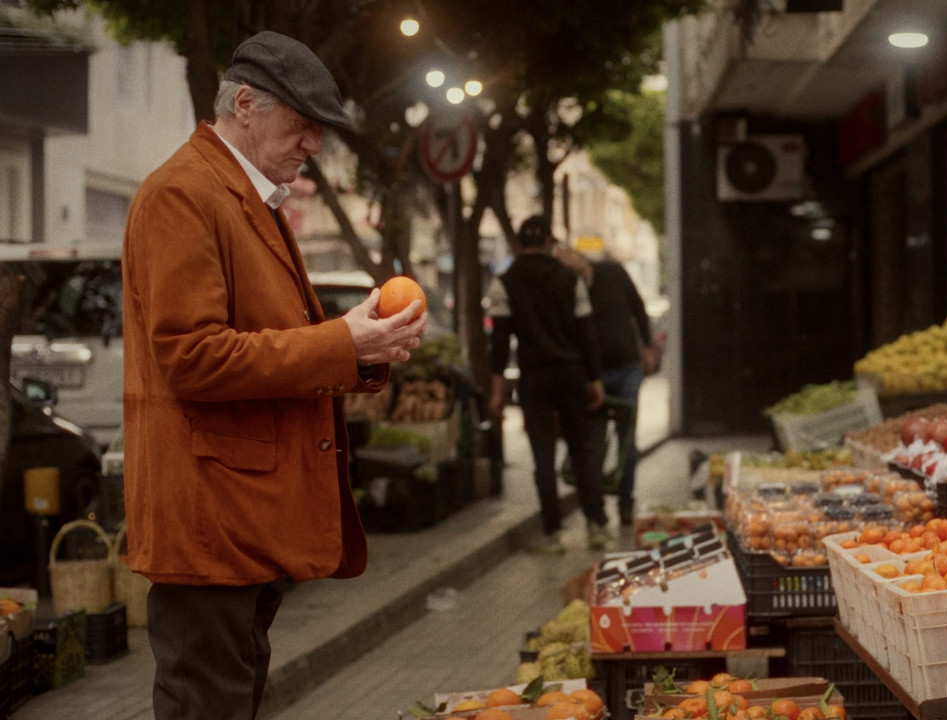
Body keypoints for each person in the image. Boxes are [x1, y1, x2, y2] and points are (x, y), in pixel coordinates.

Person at [121, 30, 427, 720]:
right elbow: (193, 357)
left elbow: (266, 341)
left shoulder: (236, 192)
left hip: (237, 522)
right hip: (209, 524)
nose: (312, 144)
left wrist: (363, 346)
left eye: (319, 130)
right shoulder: (184, 193)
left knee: (228, 698)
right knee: (210, 702)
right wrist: (339, 343)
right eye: (302, 125)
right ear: (247, 104)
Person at [486, 215, 612, 554]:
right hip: (571, 375)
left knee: (542, 457)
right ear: (548, 242)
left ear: (520, 244)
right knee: (582, 449)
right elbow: (587, 335)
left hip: (534, 378)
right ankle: (597, 525)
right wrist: (594, 379)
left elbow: (499, 345)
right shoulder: (571, 280)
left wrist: (498, 391)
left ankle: (552, 534)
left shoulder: (504, 283)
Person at [553, 245, 656, 525]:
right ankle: (595, 508)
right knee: (593, 443)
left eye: (569, 260)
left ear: (579, 256)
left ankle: (625, 501)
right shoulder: (568, 288)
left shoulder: (612, 272)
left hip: (626, 369)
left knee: (628, 442)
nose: (569, 268)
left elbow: (638, 307)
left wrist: (647, 345)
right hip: (593, 375)